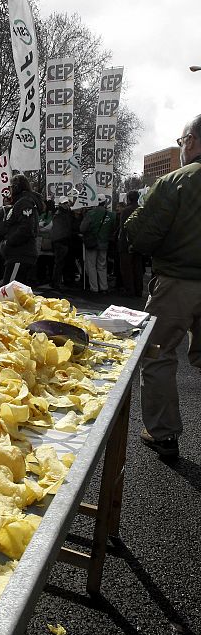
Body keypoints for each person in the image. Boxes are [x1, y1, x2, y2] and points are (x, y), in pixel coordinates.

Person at [125, 114, 201, 460]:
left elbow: (141, 234)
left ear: (191, 141)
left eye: (181, 141)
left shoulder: (176, 182)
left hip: (177, 283)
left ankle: (163, 433)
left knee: (157, 354)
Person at [0, 173, 40, 286]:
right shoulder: (20, 203)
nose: (9, 190)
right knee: (15, 292)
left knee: (10, 291)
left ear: (16, 187)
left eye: (11, 187)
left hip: (20, 254)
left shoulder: (24, 203)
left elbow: (26, 228)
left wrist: (8, 242)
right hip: (17, 254)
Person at [80, 193, 115, 293]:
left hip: (92, 243)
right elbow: (113, 229)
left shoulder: (90, 214)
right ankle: (104, 287)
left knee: (91, 266)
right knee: (102, 265)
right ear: (105, 202)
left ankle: (94, 287)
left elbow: (82, 228)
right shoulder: (111, 215)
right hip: (104, 243)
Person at [117, 190, 144, 297]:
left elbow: (123, 228)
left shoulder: (126, 211)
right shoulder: (142, 209)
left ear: (128, 199)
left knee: (127, 268)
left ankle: (130, 290)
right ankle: (139, 290)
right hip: (138, 243)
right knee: (138, 268)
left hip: (126, 243)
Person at [50, 196, 73, 291]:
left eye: (67, 203)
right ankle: (56, 283)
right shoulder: (59, 214)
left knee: (61, 263)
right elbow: (59, 229)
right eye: (64, 203)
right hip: (60, 242)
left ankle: (58, 282)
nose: (66, 204)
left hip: (63, 241)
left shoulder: (65, 213)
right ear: (60, 204)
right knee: (59, 263)